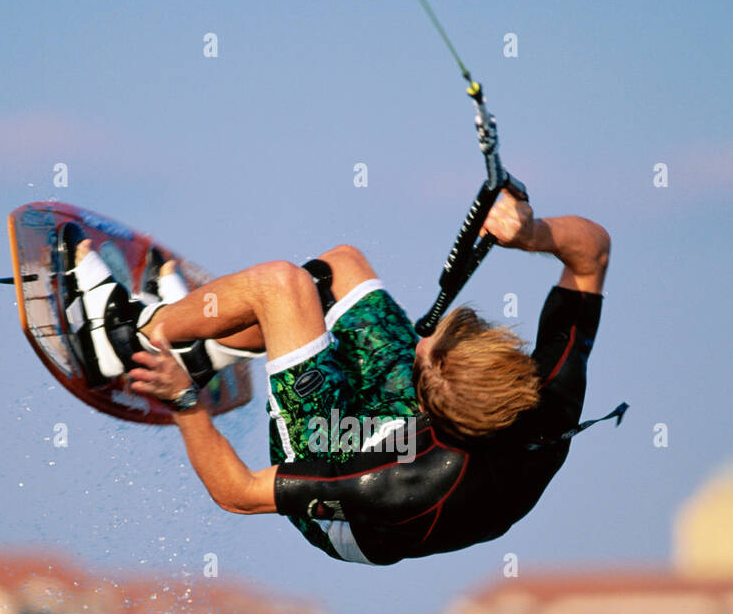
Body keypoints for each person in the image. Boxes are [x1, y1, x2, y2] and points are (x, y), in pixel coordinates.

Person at [66, 190, 612, 566]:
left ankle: (128, 340)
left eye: (425, 349)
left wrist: (184, 401)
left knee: (281, 287)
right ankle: (206, 349)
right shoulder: (549, 393)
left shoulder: (396, 481)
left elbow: (236, 493)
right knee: (340, 268)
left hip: (350, 501)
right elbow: (593, 256)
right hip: (428, 431)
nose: (419, 336)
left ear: (428, 392)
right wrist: (529, 232)